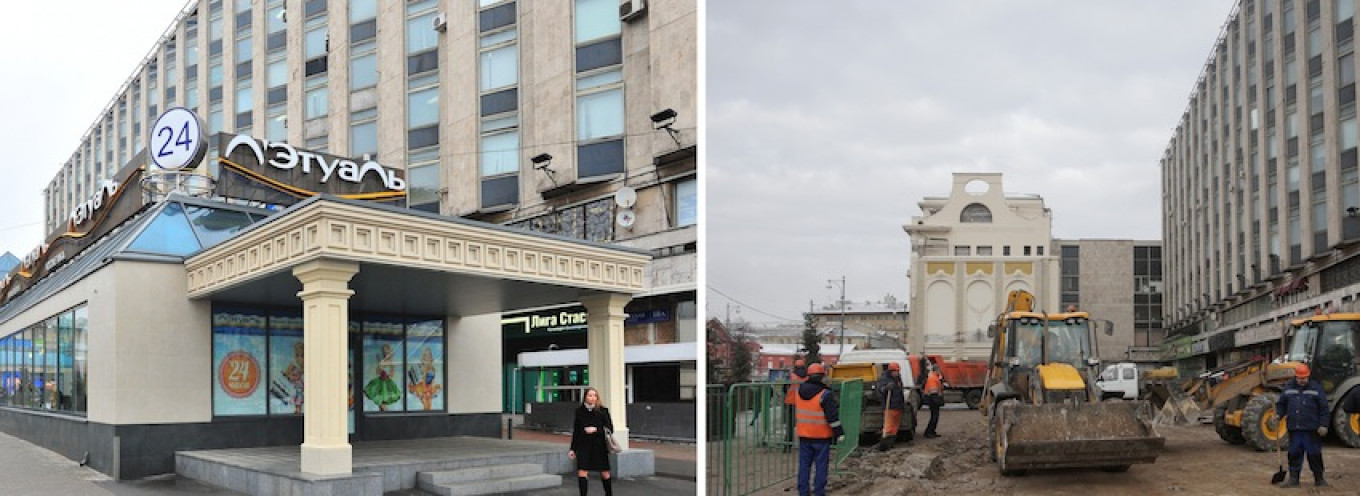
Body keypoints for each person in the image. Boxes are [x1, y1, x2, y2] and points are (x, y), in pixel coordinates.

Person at [1274, 363, 1329, 488]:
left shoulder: (1316, 388)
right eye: (1300, 378)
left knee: (1314, 454)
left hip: (1311, 430)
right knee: (1294, 453)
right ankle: (1294, 479)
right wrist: (1278, 415)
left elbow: (1324, 409)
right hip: (1295, 429)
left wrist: (1323, 425)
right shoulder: (1288, 388)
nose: (1302, 381)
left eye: (1304, 378)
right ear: (1296, 377)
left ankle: (1319, 479)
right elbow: (1281, 404)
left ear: (1308, 376)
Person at [794, 363, 844, 496]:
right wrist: (839, 433)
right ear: (822, 376)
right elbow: (832, 417)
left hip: (804, 435)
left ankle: (803, 492)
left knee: (804, 466)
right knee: (821, 467)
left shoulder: (799, 391)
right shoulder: (825, 394)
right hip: (821, 437)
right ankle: (819, 492)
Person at [568, 387, 615, 496]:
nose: (593, 398)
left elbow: (610, 429)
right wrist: (573, 449)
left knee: (605, 473)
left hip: (599, 446)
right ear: (585, 397)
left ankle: (609, 494)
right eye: (590, 395)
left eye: (595, 396)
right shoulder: (579, 411)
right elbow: (576, 431)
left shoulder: (603, 411)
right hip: (584, 445)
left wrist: (596, 429)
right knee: (582, 471)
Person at [876, 362, 906, 451]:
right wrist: (886, 388)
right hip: (890, 407)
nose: (897, 373)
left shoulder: (897, 379)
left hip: (898, 406)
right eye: (895, 371)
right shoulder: (885, 379)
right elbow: (880, 390)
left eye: (898, 371)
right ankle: (884, 445)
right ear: (890, 371)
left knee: (894, 427)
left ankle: (890, 443)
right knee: (888, 427)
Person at [783, 360, 808, 449]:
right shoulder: (807, 377)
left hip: (791, 402)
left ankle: (788, 445)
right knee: (804, 424)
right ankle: (804, 444)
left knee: (790, 424)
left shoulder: (790, 376)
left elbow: (784, 388)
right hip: (804, 403)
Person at [922, 359, 945, 438]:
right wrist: (937, 401)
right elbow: (933, 391)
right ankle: (929, 432)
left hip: (933, 399)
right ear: (937, 370)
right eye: (939, 370)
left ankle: (931, 431)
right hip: (933, 400)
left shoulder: (934, 377)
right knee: (934, 417)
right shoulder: (933, 378)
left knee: (934, 416)